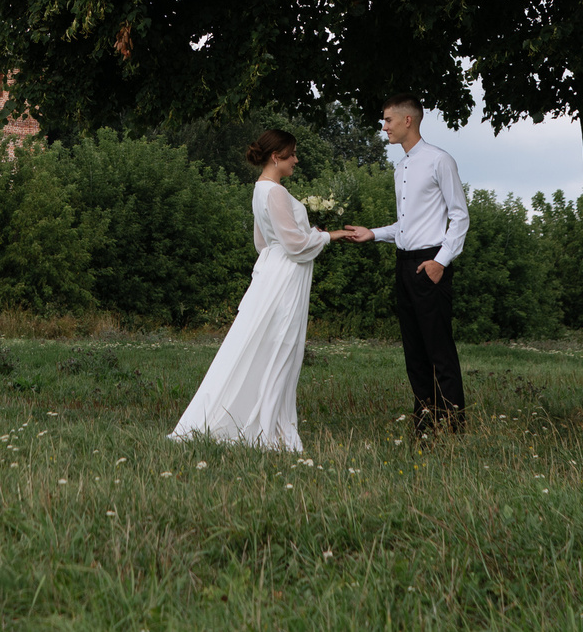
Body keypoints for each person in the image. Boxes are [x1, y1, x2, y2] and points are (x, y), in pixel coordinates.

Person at [168, 128, 330, 452]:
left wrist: (304, 236)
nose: (296, 159)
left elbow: (262, 242)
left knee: (257, 344)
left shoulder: (260, 190)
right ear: (276, 156)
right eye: (293, 153)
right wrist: (328, 236)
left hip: (271, 271)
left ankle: (240, 414)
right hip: (285, 276)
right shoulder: (276, 193)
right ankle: (267, 428)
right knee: (279, 348)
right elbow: (295, 245)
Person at [336, 96, 469, 433]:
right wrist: (373, 234)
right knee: (414, 352)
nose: (384, 128)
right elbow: (406, 227)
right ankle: (424, 426)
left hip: (430, 264)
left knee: (439, 350)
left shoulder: (440, 160)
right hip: (404, 265)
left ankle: (453, 426)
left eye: (388, 121)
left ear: (408, 120)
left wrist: (440, 262)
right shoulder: (400, 168)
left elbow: (460, 217)